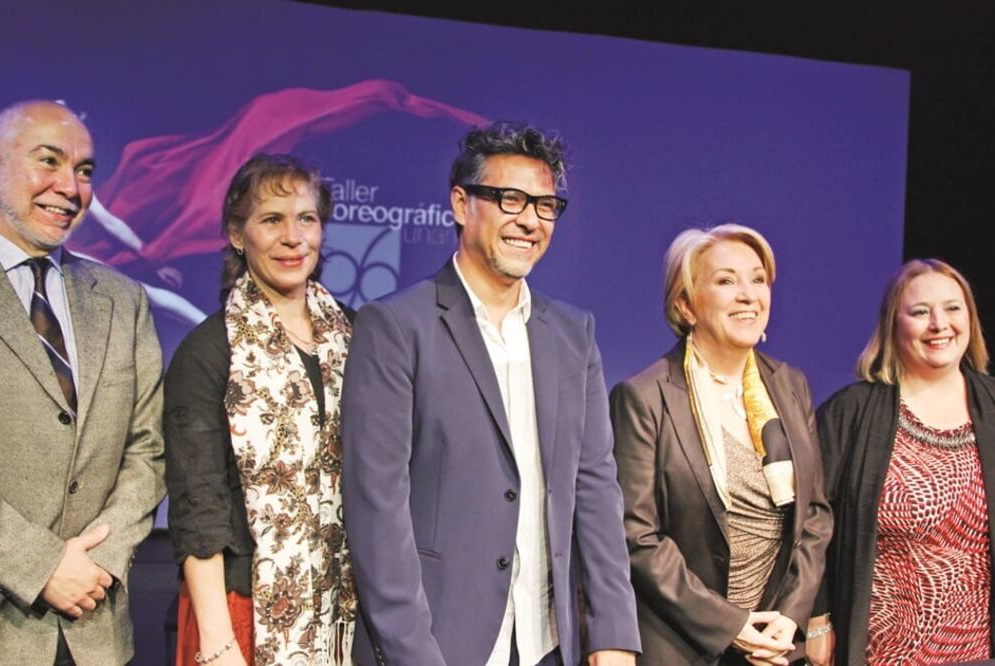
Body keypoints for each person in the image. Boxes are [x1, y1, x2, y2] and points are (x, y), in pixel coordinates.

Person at [341, 121, 640, 666]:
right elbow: (377, 510)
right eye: (510, 200)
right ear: (461, 204)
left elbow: (596, 487)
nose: (530, 220)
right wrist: (415, 655)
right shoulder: (395, 326)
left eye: (546, 206)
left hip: (547, 644)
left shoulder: (575, 334)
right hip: (437, 646)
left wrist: (613, 633)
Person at [0, 100, 164, 665]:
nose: (69, 188)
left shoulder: (124, 301)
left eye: (84, 171)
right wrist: (42, 565)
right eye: (48, 162)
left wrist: (97, 562)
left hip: (97, 631)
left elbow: (149, 450)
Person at [164, 154, 356, 666]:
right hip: (237, 610)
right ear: (236, 233)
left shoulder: (358, 337)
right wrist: (218, 640)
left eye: (306, 219)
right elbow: (196, 507)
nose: (293, 238)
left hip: (343, 610)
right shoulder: (208, 351)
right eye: (272, 219)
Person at [609, 224, 832, 665]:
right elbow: (636, 536)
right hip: (684, 646)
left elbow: (815, 516)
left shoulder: (789, 385)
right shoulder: (645, 397)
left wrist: (789, 616)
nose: (748, 294)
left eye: (757, 279)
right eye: (726, 281)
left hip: (778, 647)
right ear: (687, 305)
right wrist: (731, 625)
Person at [812, 259, 994, 665]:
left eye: (952, 308)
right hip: (878, 652)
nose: (939, 324)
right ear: (894, 324)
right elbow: (810, 526)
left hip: (980, 653)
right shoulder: (851, 413)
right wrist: (817, 620)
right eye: (920, 312)